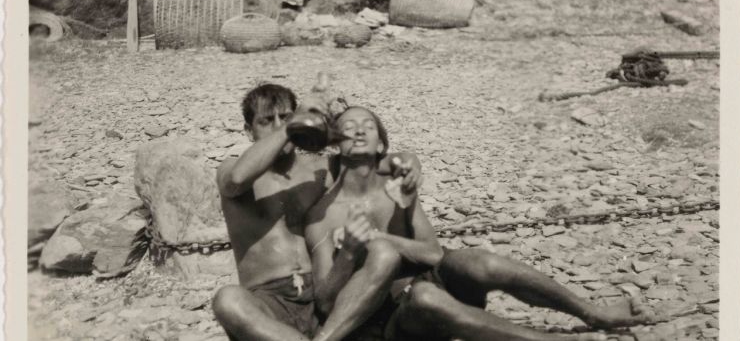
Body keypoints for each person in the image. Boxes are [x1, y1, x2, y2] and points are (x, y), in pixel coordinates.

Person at [306, 106, 655, 341]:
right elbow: (324, 304)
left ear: (381, 142)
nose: (358, 131)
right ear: (336, 145)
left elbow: (432, 253)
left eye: (367, 125)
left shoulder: (397, 184)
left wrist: (382, 238)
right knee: (426, 296)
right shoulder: (325, 212)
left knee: (480, 261)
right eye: (348, 127)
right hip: (385, 320)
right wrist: (350, 253)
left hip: (425, 282)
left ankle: (592, 312)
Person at [211, 84, 421, 341]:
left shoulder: (323, 168)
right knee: (227, 300)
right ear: (248, 130)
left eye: (286, 117)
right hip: (268, 301)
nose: (279, 126)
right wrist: (292, 125)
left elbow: (379, 162)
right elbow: (237, 178)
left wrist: (409, 159)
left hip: (324, 291)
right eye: (266, 121)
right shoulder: (231, 169)